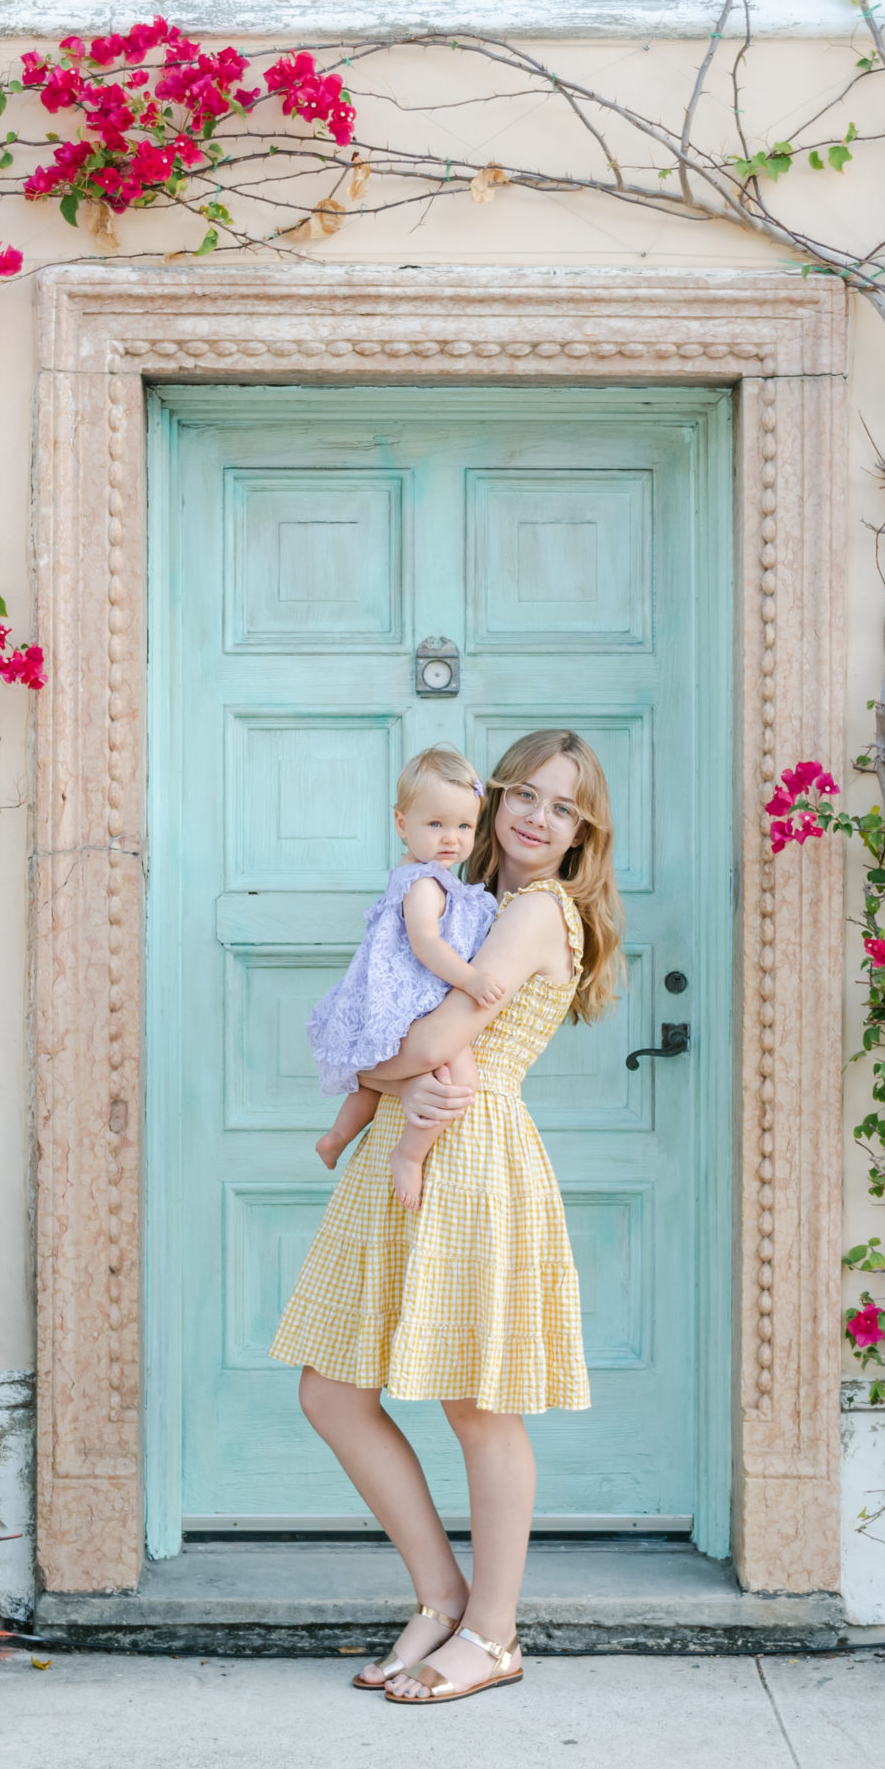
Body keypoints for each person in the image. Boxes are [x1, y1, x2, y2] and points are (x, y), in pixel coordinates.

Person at [270, 728, 623, 1705]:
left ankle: (494, 1632)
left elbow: (429, 1038)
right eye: (522, 793)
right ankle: (439, 1597)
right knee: (332, 1390)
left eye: (562, 807)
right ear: (492, 797)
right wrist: (385, 1074)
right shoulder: (469, 903)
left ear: (581, 833)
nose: (534, 816)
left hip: (469, 1156)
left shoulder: (541, 912)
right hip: (400, 1146)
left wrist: (371, 1069)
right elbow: (400, 1043)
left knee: (477, 1404)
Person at [307, 745, 506, 1212]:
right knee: (460, 1076)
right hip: (413, 990)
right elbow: (425, 944)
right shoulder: (423, 883)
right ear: (402, 824)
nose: (451, 838)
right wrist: (472, 979)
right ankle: (410, 1153)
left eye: (463, 826)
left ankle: (336, 1137)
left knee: (373, 1081)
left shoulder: (420, 873)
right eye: (435, 824)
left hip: (406, 989)